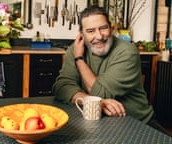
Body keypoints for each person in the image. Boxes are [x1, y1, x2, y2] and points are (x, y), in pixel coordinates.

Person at [52, 6, 170, 136]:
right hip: (97, 124)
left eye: (103, 28)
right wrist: (93, 102)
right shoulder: (74, 49)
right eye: (90, 31)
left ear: (111, 28)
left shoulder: (127, 52)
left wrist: (79, 59)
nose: (99, 36)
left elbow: (100, 92)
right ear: (81, 34)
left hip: (137, 123)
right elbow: (61, 87)